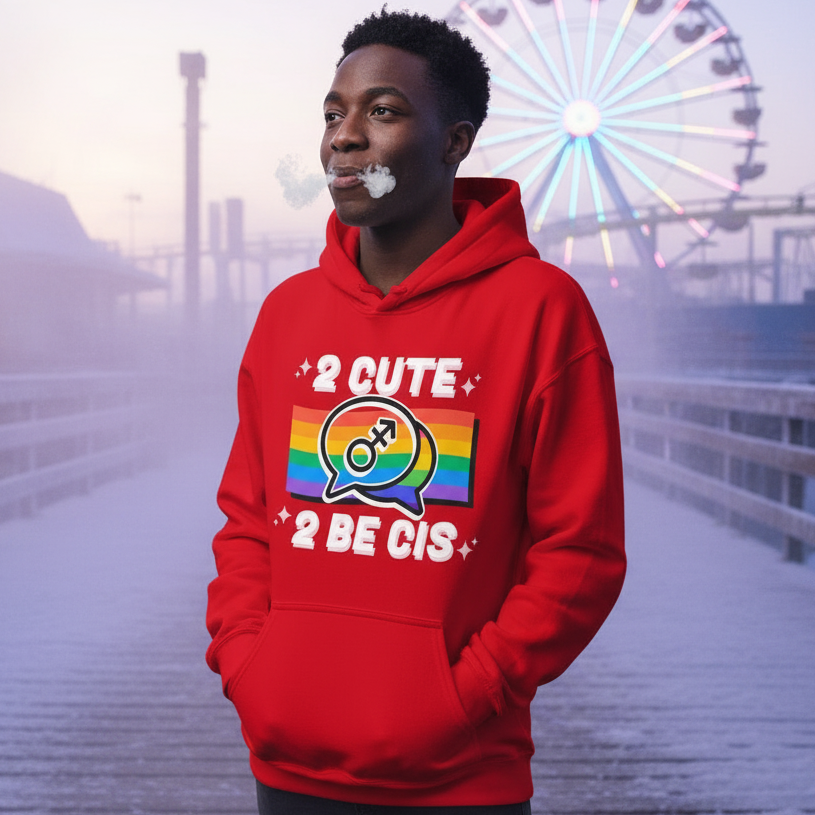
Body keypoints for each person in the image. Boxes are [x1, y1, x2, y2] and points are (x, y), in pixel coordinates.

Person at [206, 8, 626, 814]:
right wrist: (249, 667)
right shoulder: (286, 314)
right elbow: (248, 520)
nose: (344, 136)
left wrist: (463, 697)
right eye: (333, 113)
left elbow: (581, 551)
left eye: (383, 111)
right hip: (286, 765)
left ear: (454, 141)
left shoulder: (542, 310)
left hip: (458, 779)